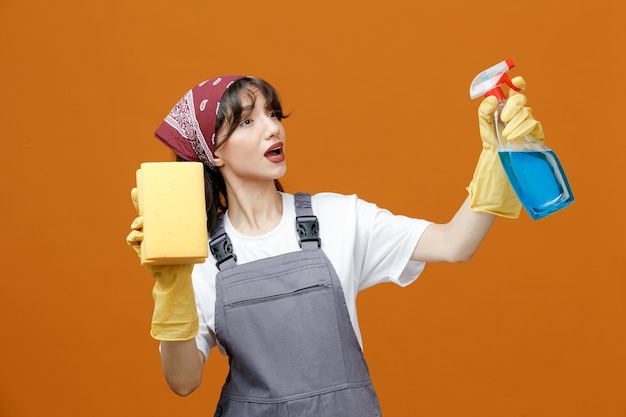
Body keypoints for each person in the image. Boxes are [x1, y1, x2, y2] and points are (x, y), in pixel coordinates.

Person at [127, 74, 542, 416]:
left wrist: (499, 157)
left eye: (273, 113)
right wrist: (171, 290)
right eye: (248, 122)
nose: (273, 126)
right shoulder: (196, 259)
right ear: (212, 151)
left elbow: (455, 243)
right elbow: (183, 382)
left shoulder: (339, 218)